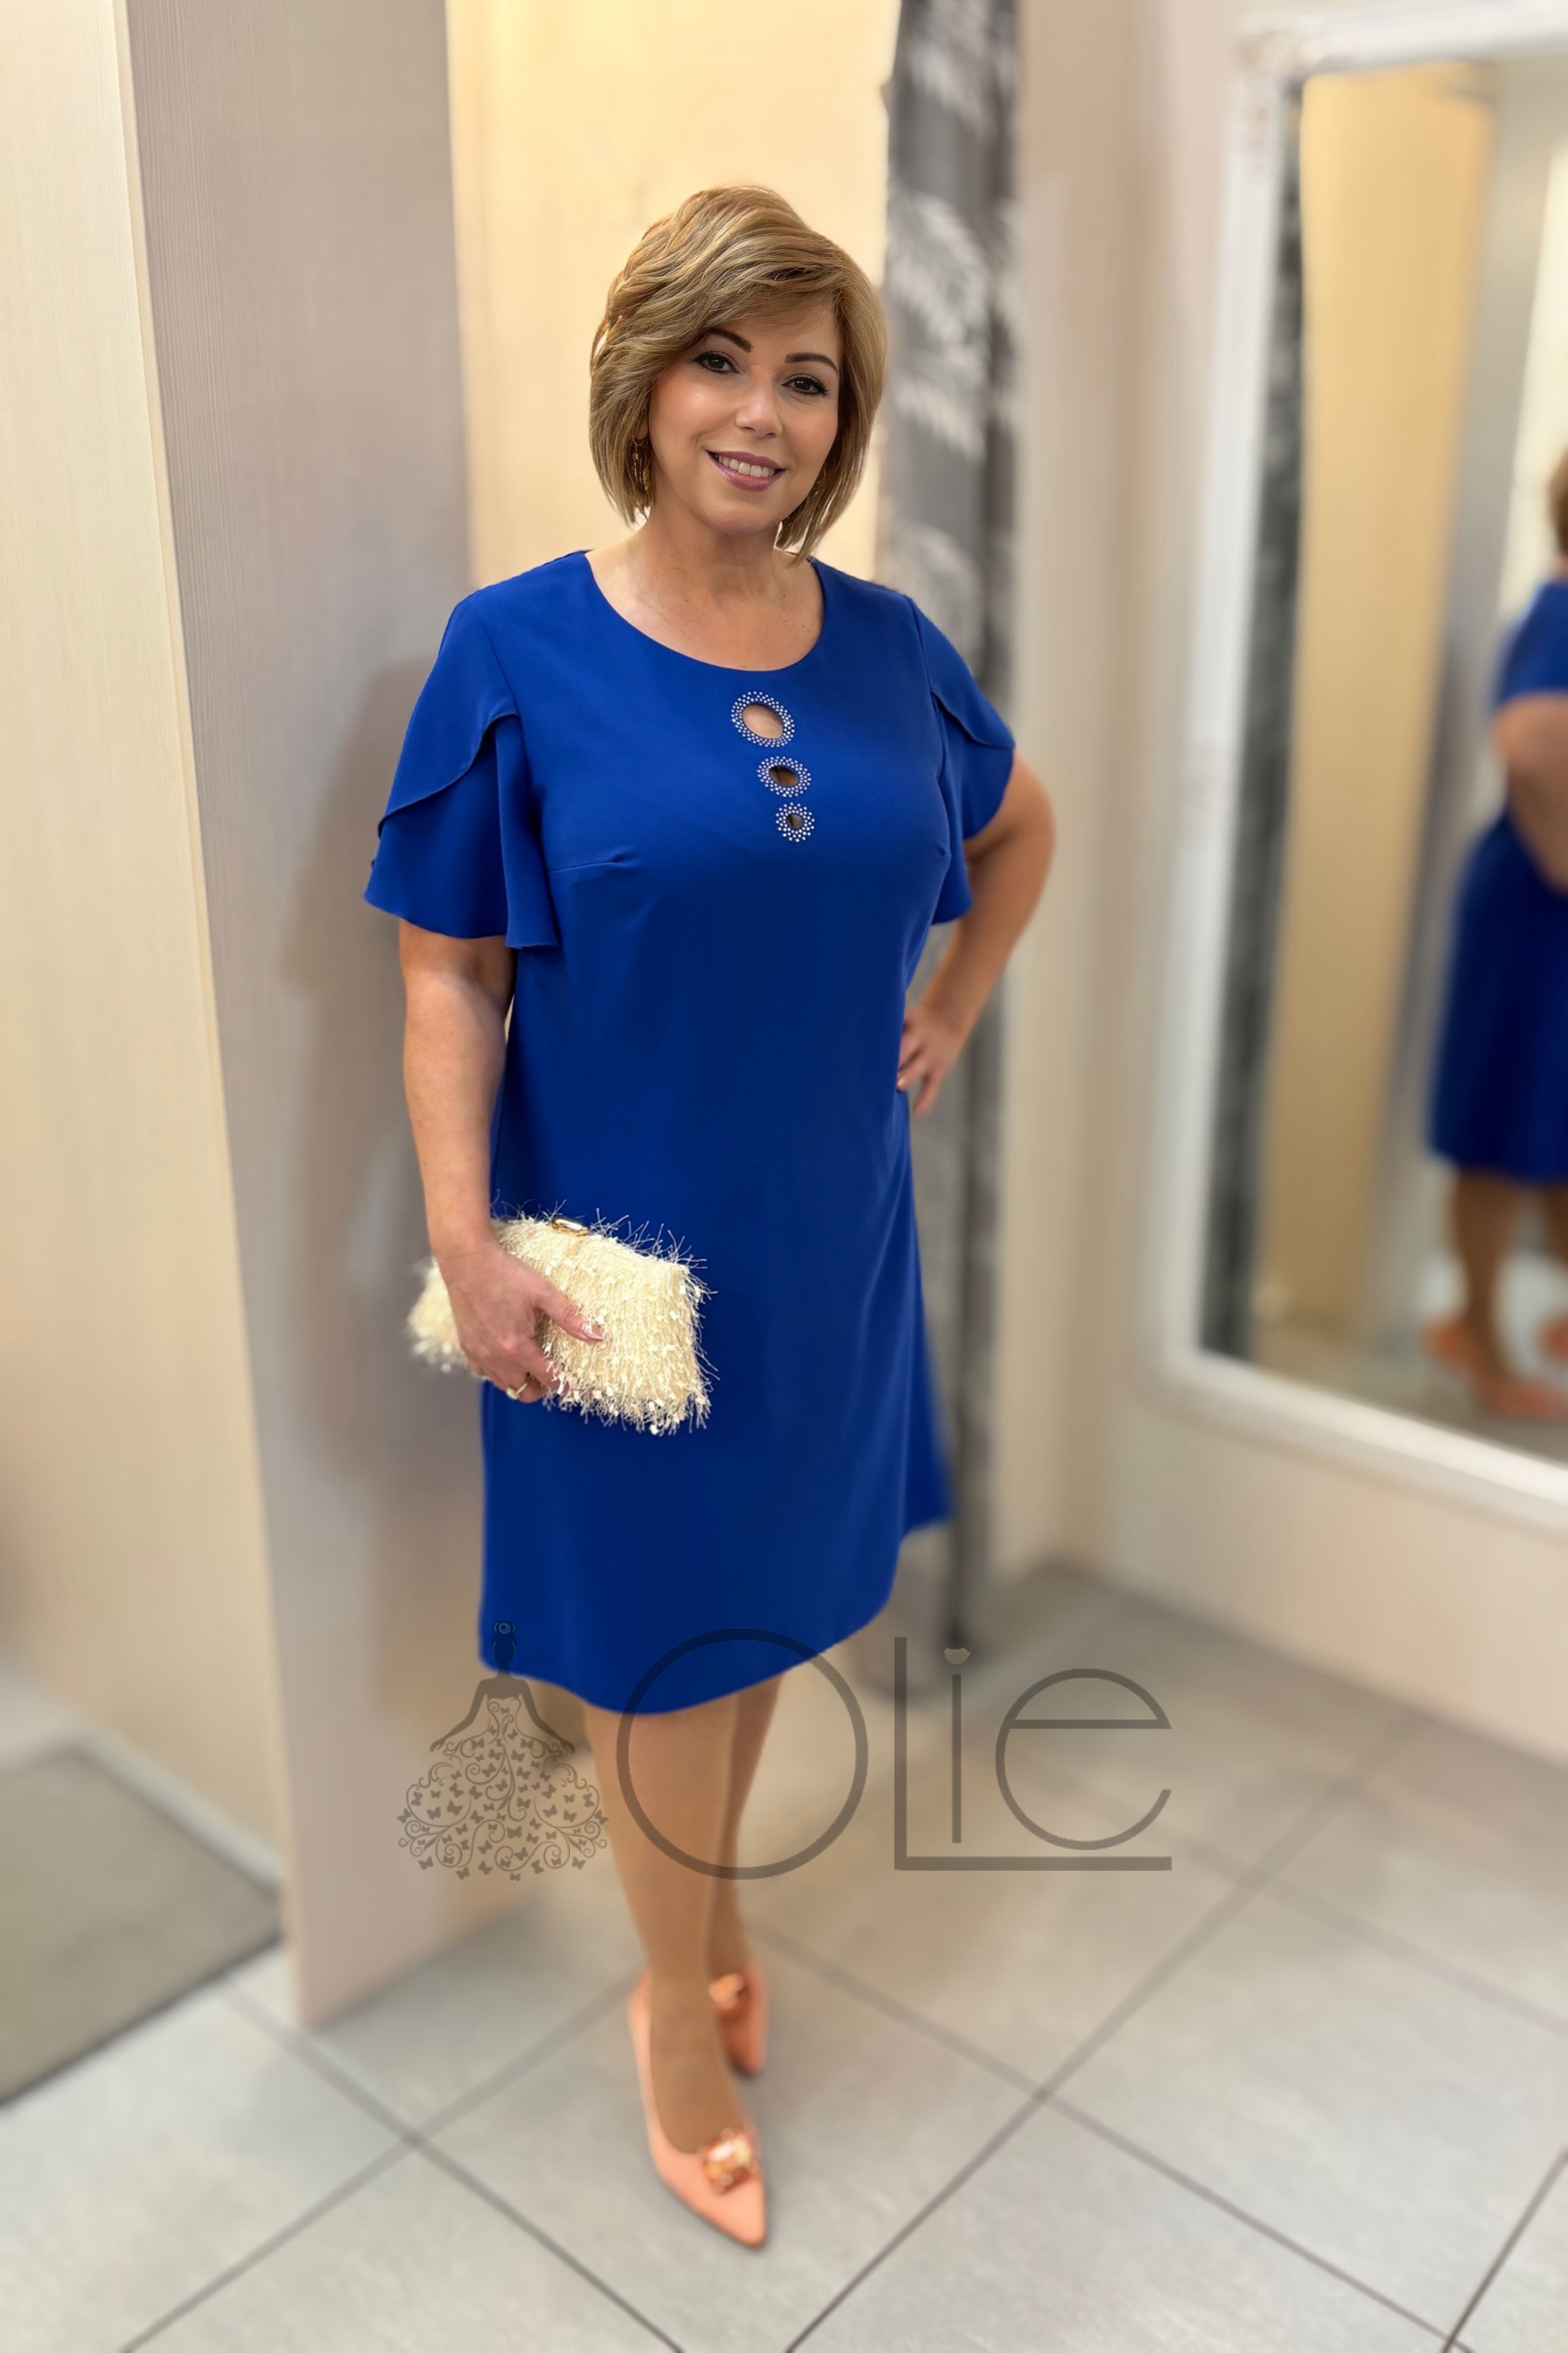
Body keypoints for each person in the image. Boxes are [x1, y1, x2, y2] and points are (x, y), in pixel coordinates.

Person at [364, 185, 1054, 2245]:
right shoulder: (517, 650)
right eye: (720, 361)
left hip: (829, 1244)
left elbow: (1019, 826)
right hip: (624, 1272)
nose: (762, 412)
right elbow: (446, 974)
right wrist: (465, 1238)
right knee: (662, 1649)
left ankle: (707, 1916)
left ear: (844, 421)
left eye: (808, 378)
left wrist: (955, 1002)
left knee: (751, 1625)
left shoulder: (894, 653)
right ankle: (674, 2005)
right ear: (645, 386)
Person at [1424, 448, 1568, 1419]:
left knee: (1551, 1122)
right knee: (1505, 1126)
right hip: (1535, 916)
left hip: (1544, 910)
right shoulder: (1562, 611)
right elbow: (1532, 747)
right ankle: (1477, 1331)